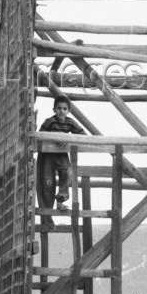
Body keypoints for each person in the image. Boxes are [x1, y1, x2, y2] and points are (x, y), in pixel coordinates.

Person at [37, 96, 86, 226]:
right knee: (48, 182)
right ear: (54, 109)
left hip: (62, 154)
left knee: (67, 173)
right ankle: (47, 215)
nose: (61, 111)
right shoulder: (50, 122)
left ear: (68, 111)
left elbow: (83, 135)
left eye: (64, 109)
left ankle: (60, 201)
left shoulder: (70, 122)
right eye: (59, 108)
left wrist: (67, 138)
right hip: (47, 155)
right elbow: (39, 136)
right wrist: (54, 138)